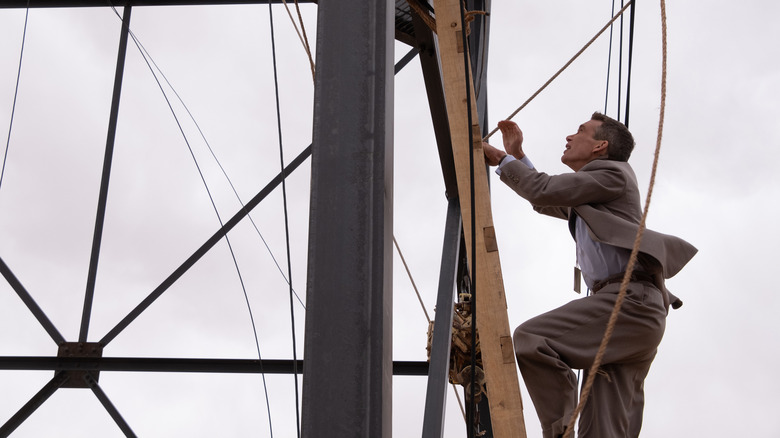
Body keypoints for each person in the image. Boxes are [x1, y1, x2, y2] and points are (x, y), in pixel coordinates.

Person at [482, 113, 696, 438]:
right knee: (602, 430)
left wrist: (503, 159)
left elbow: (542, 190)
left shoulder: (611, 174)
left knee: (533, 340)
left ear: (600, 146)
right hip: (636, 313)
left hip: (629, 304)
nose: (569, 136)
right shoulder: (593, 193)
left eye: (580, 131)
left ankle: (559, 431)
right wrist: (518, 158)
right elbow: (546, 199)